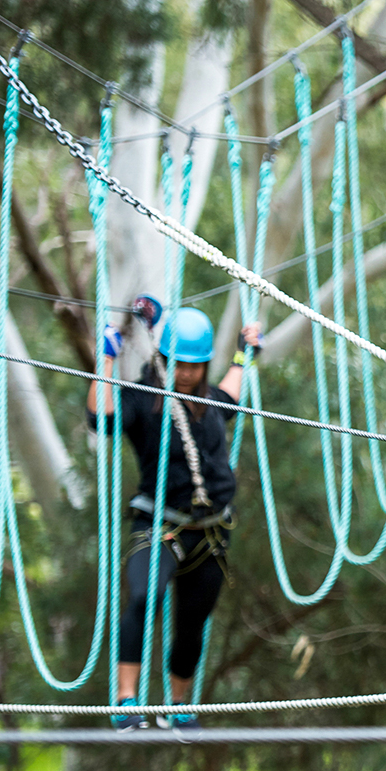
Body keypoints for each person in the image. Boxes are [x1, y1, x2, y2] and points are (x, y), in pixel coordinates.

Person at [87, 303, 260, 730]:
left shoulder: (210, 401)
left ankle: (177, 705)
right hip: (159, 526)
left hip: (211, 531)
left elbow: (233, 391)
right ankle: (127, 699)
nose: (185, 373)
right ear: (163, 359)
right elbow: (99, 418)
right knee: (145, 598)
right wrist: (105, 359)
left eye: (194, 366)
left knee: (192, 621)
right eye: (178, 364)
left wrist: (242, 355)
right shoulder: (141, 399)